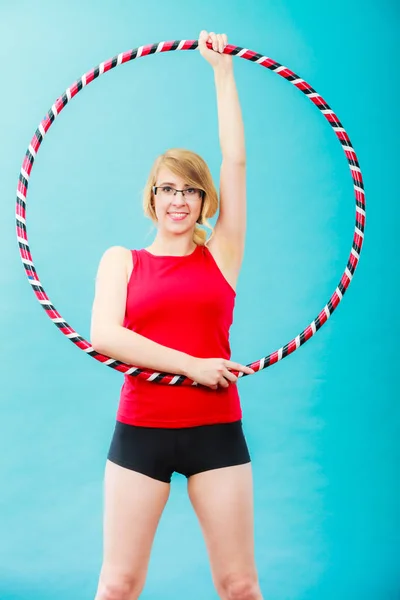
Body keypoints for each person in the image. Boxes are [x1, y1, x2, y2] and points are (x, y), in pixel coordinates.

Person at [90, 30, 263, 600]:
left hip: (216, 432)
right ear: (152, 197)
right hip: (141, 431)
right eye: (168, 189)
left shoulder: (223, 256)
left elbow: (235, 160)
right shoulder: (122, 260)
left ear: (204, 200)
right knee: (118, 584)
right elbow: (105, 336)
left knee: (238, 584)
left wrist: (222, 71)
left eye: (191, 190)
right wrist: (193, 366)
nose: (179, 200)